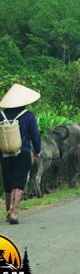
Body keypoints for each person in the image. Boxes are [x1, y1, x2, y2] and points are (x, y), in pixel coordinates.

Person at [0, 83, 42, 224]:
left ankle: (7, 211)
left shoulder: (1, 115)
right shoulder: (28, 116)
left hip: (4, 154)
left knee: (8, 182)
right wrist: (37, 151)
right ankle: (14, 213)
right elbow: (35, 135)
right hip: (22, 152)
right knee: (19, 182)